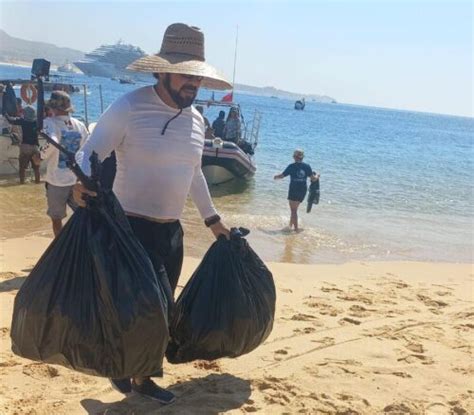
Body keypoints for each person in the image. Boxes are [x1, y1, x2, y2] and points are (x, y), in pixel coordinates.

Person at [73, 23, 232, 405]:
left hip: (170, 232)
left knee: (162, 309)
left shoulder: (197, 121)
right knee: (146, 309)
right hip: (129, 228)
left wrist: (213, 221)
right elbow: (90, 151)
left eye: (196, 75)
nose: (191, 83)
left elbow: (193, 173)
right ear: (161, 71)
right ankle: (129, 372)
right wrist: (79, 182)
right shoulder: (129, 107)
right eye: (184, 74)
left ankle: (136, 374)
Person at [35, 91, 89, 237]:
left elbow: (53, 142)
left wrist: (40, 156)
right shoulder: (80, 125)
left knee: (56, 218)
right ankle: (82, 242)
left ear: (53, 107)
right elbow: (86, 149)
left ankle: (59, 248)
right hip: (76, 178)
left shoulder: (50, 123)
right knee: (82, 215)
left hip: (56, 181)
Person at [274, 149, 317, 231]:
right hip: (302, 190)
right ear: (302, 157)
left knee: (293, 211)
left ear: (294, 157)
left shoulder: (291, 166)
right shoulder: (307, 166)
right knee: (294, 210)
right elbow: (313, 179)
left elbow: (282, 176)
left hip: (293, 190)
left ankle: (296, 229)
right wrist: (318, 176)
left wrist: (275, 176)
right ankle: (290, 225)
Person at [5, 106, 40, 184]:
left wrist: (5, 114)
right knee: (36, 168)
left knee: (22, 168)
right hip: (36, 147)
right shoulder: (37, 122)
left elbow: (10, 120)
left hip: (25, 147)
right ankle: (37, 182)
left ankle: (22, 183)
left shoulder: (23, 121)